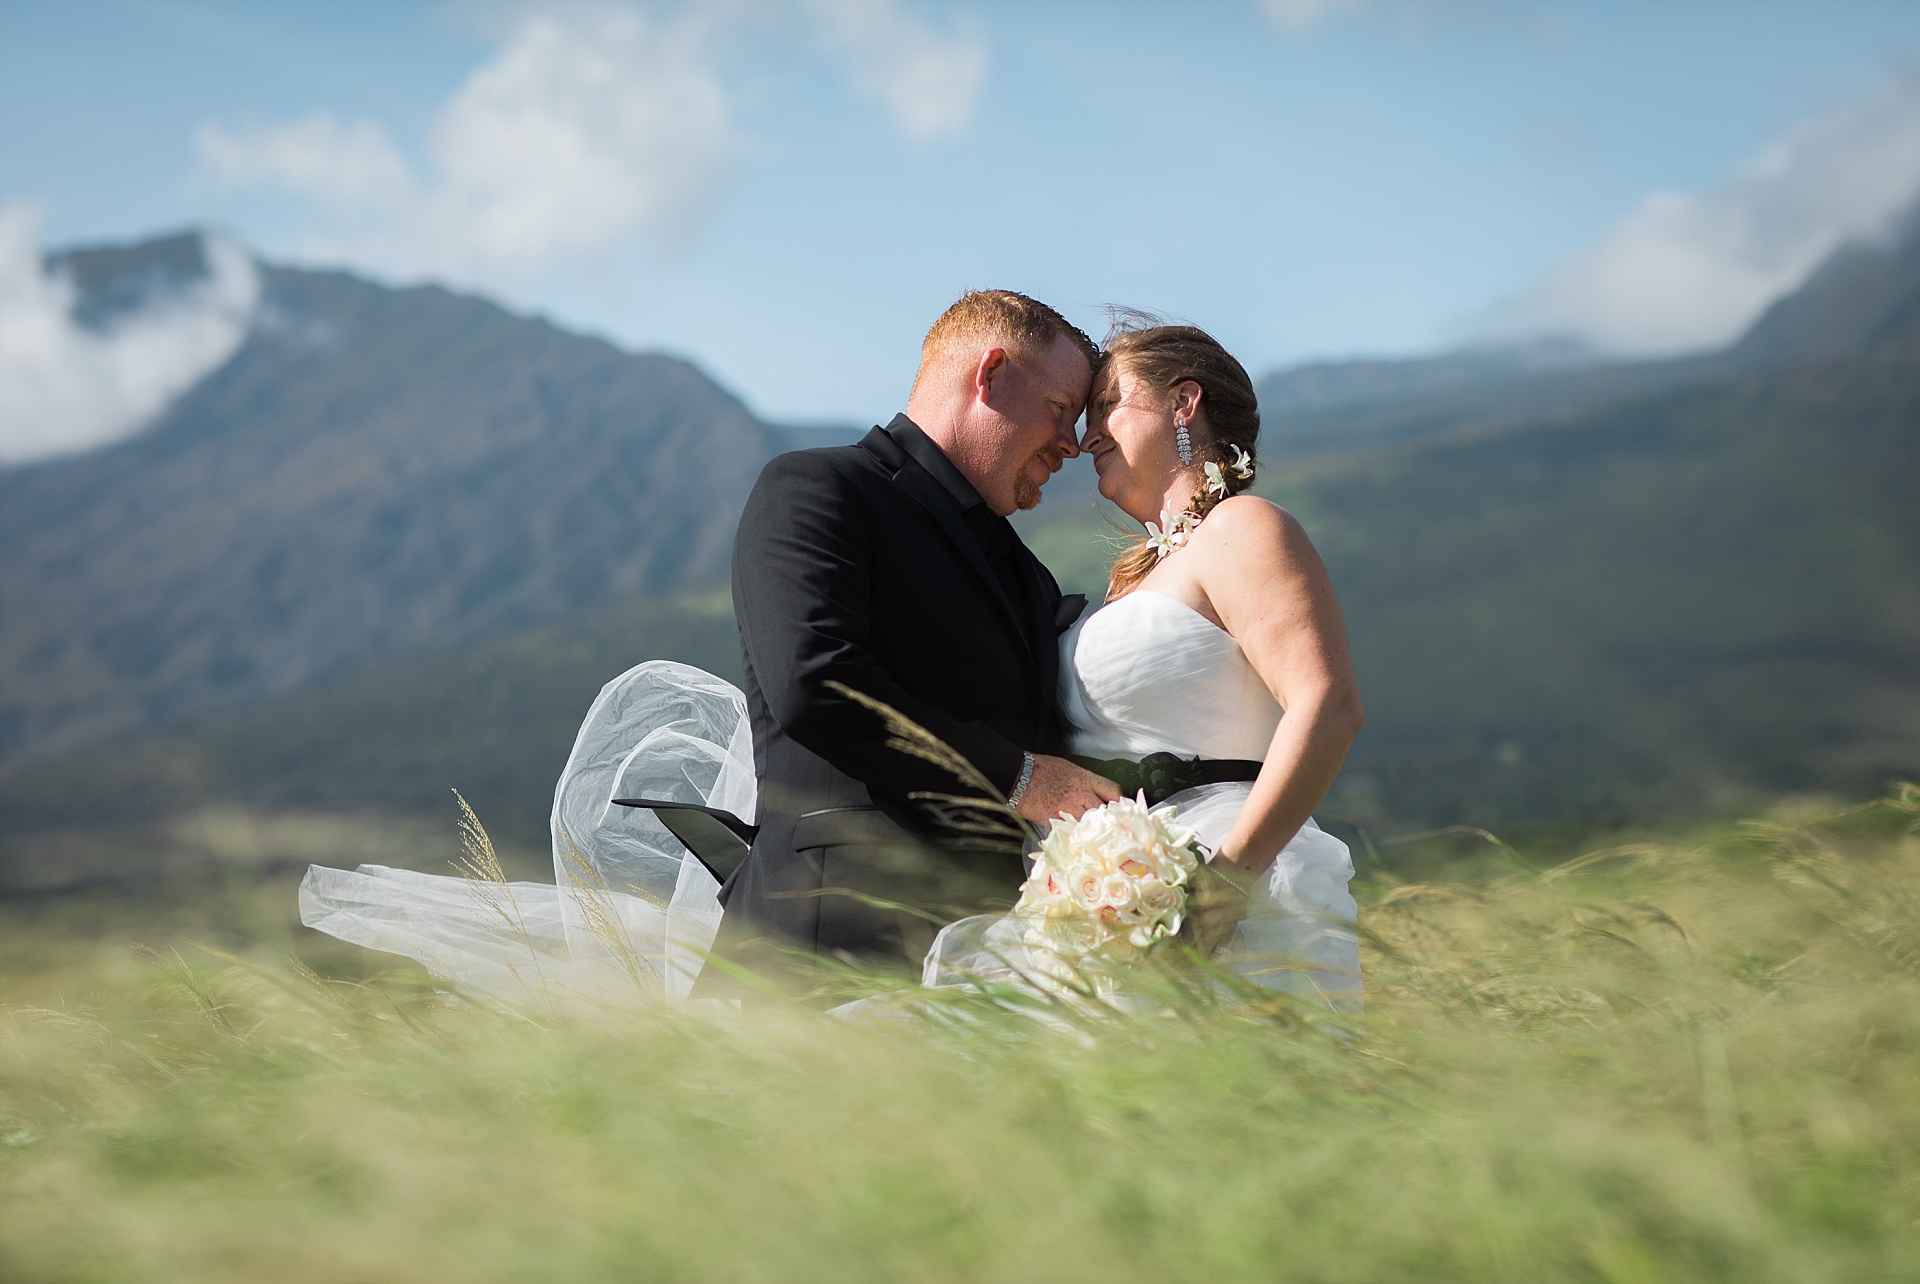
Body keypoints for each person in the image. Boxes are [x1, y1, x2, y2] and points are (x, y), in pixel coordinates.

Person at [922, 321, 1366, 1009]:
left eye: (1109, 405)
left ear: (1183, 403)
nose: (1086, 435)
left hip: (1227, 877)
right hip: (1113, 901)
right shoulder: (1132, 580)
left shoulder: (1242, 529)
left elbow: (1327, 704)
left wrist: (1227, 882)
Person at [701, 289, 1122, 991]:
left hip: (988, 965)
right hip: (827, 945)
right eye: (1059, 410)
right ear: (990, 377)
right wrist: (1022, 778)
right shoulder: (817, 488)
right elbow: (817, 686)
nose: (1072, 445)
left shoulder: (1026, 572)